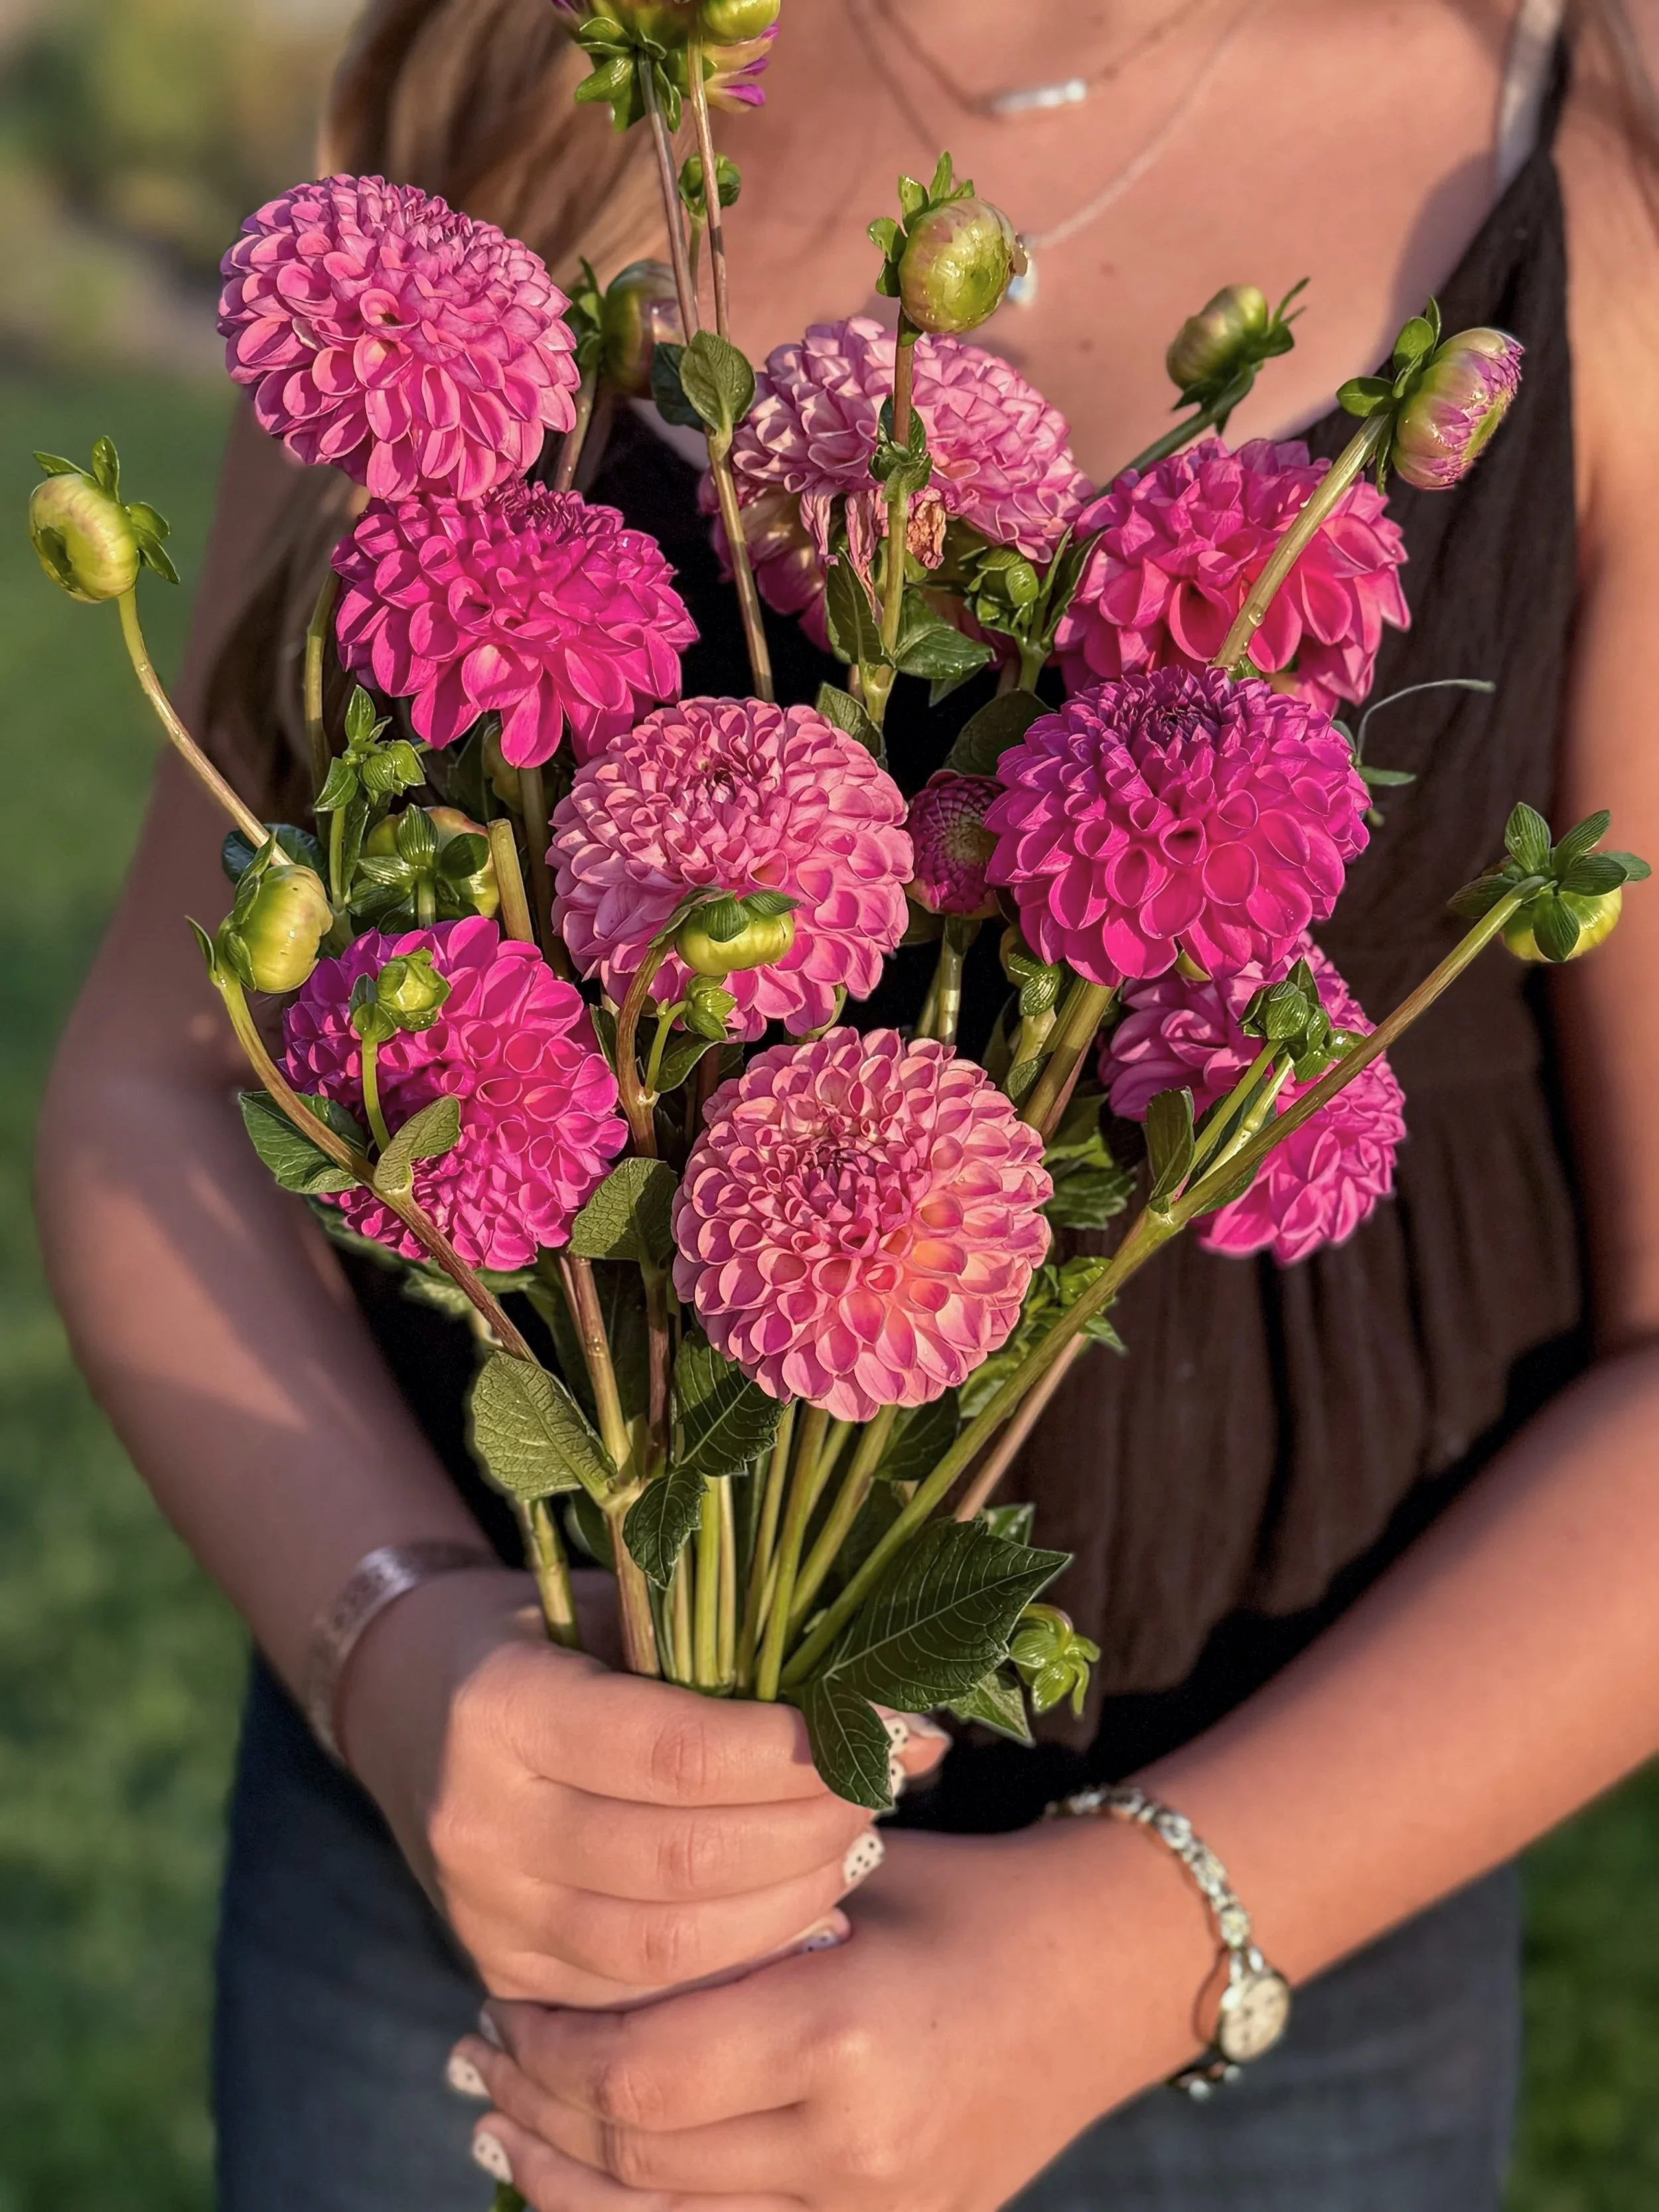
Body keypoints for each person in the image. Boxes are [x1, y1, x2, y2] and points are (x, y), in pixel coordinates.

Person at [35, 1, 1659, 2206]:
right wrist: (400, 1655)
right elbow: (160, 1070)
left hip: (1259, 1970)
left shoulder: (1594, 187)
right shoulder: (507, 108)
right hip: (484, 1911)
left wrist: (1122, 1946)